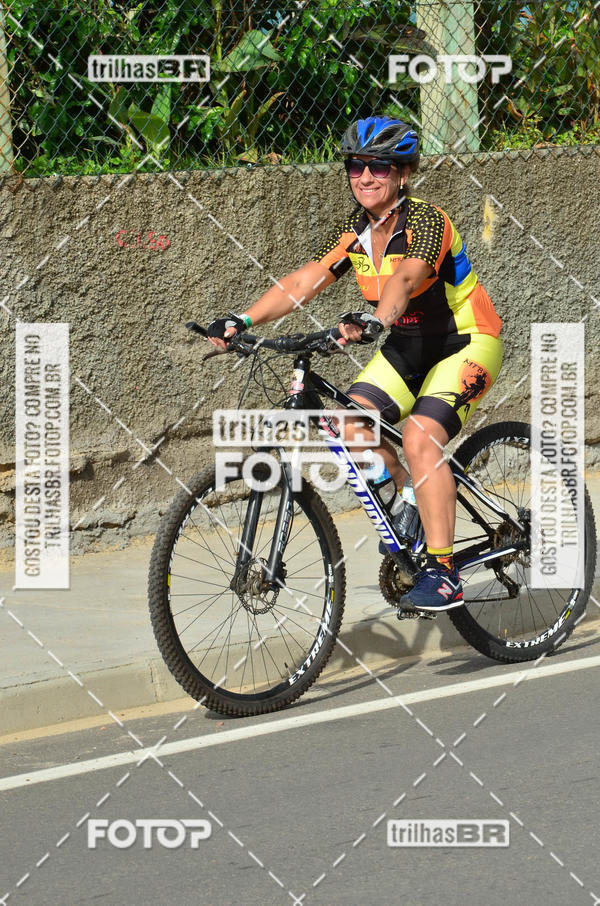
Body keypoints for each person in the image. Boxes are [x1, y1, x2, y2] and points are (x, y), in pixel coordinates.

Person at [207, 115, 503, 612]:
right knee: (348, 425)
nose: (365, 177)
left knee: (419, 437)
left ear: (402, 173)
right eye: (355, 166)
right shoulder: (356, 230)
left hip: (466, 342)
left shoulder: (427, 222)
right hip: (408, 348)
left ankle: (445, 572)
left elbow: (406, 279)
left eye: (379, 167)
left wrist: (374, 320)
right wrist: (243, 318)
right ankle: (411, 496)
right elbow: (305, 281)